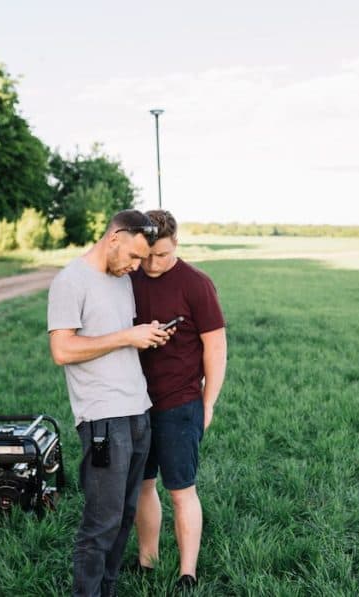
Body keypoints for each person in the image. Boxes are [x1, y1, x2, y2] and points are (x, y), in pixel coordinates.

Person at [47, 209, 173, 597]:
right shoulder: (70, 280)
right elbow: (62, 349)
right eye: (134, 256)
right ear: (114, 238)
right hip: (103, 419)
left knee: (124, 517)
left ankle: (109, 590)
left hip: (138, 411)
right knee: (101, 523)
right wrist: (126, 337)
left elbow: (121, 334)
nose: (137, 266)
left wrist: (146, 335)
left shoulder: (121, 280)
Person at [129, 210, 227, 590]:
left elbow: (215, 348)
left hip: (180, 402)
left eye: (164, 255)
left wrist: (209, 402)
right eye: (148, 255)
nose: (153, 264)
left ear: (177, 246)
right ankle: (146, 561)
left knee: (181, 489)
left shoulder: (196, 284)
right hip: (133, 402)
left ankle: (188, 572)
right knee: (142, 484)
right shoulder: (128, 276)